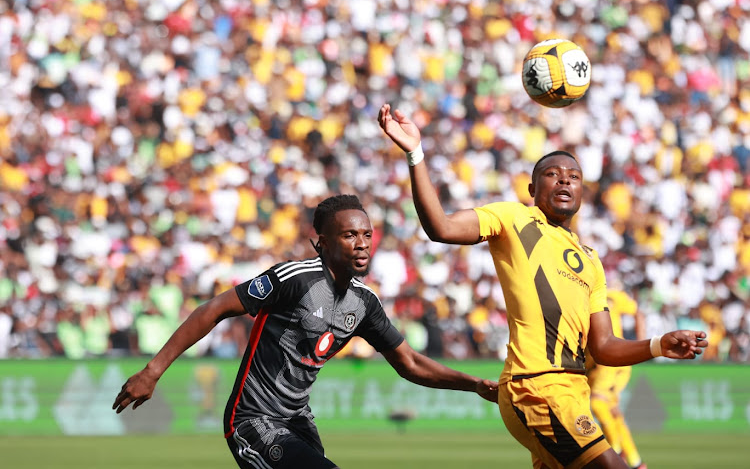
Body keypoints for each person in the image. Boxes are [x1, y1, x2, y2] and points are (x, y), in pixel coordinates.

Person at [378, 104, 708, 469]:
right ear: (534, 188)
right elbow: (440, 227)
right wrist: (415, 153)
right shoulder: (513, 218)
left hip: (573, 393)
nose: (565, 180)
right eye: (553, 174)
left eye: (574, 176)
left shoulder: (590, 261)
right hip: (534, 387)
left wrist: (659, 344)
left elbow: (605, 346)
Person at [113, 194, 498, 469]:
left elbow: (410, 363)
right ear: (323, 243)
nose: (362, 244)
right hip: (253, 420)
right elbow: (213, 309)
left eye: (366, 234)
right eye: (349, 236)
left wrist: (474, 385)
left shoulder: (365, 304)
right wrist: (152, 370)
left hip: (297, 422)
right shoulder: (293, 278)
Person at [586, 288, 647, 469]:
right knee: (612, 411)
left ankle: (616, 451)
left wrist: (641, 345)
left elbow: (638, 313)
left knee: (598, 402)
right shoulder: (576, 290)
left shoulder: (611, 295)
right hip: (593, 360)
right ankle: (636, 462)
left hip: (610, 355)